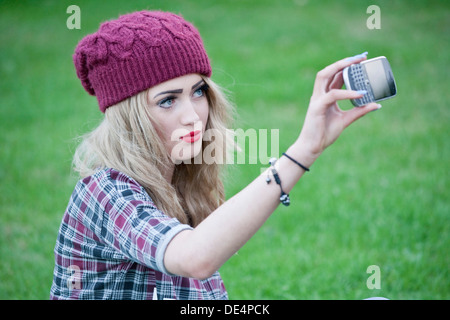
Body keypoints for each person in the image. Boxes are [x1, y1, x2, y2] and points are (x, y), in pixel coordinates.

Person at [50, 10, 381, 300]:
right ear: (129, 117)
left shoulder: (180, 181)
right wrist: (301, 152)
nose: (193, 115)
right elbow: (196, 257)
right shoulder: (104, 191)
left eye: (198, 92)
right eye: (168, 100)